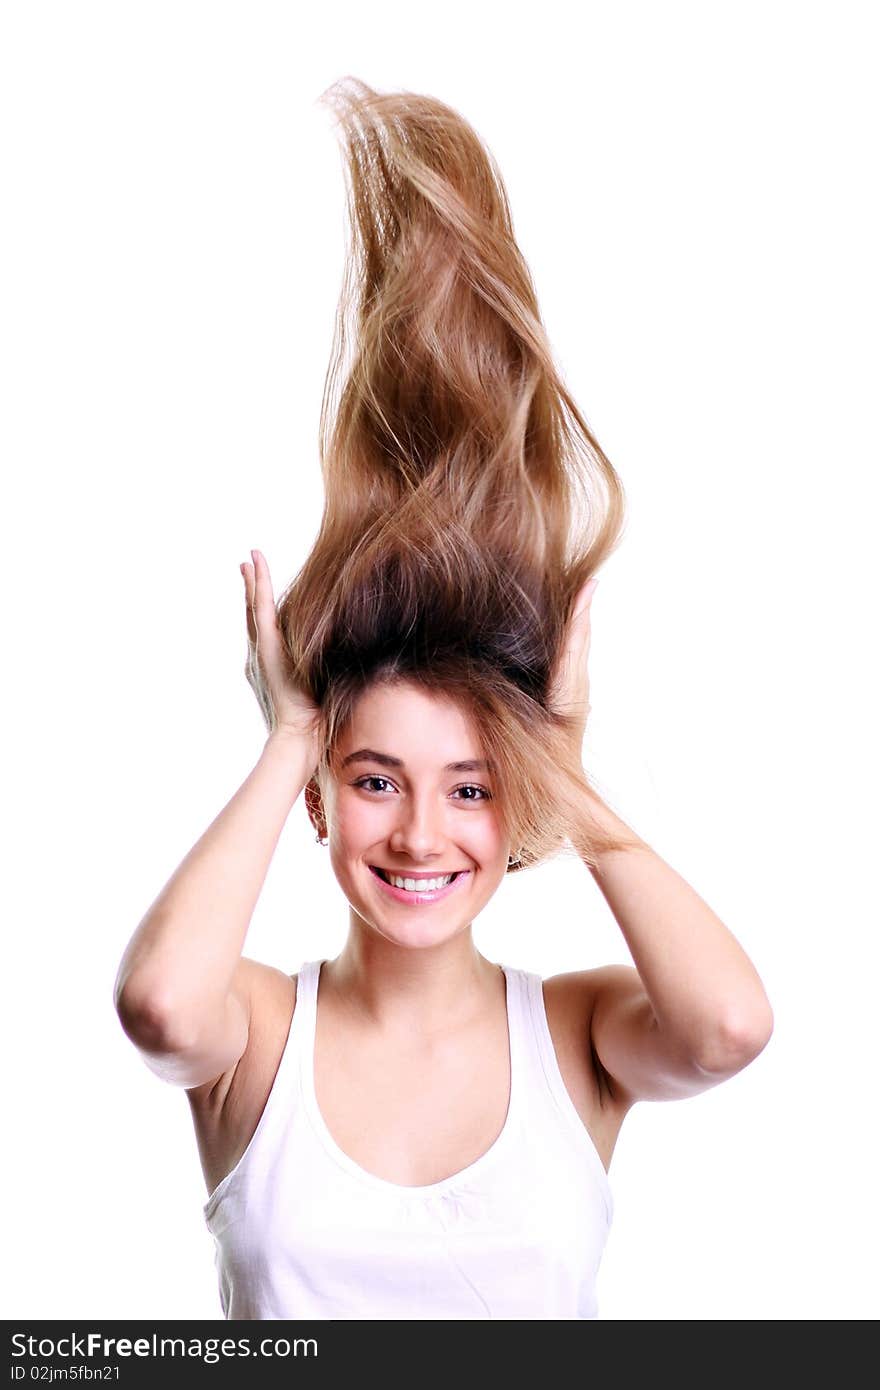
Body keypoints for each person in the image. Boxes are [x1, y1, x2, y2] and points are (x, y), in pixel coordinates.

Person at [113, 79, 774, 1321]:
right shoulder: (257, 1029)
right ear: (321, 802)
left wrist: (562, 773)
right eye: (375, 781)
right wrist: (290, 738)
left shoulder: (576, 1038)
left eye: (472, 788)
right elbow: (156, 1006)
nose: (422, 834)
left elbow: (730, 1025)